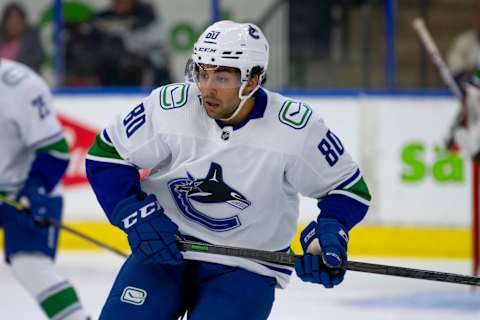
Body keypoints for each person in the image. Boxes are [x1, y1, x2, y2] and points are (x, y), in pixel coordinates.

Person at [86, 20, 371, 319]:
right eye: (202, 73)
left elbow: (348, 189)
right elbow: (108, 155)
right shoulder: (170, 107)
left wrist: (328, 233)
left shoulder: (296, 128)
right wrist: (134, 216)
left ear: (252, 80)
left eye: (221, 78)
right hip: (165, 249)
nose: (206, 88)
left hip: (246, 266)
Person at [0, 59, 89, 320]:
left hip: (25, 191)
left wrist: (34, 190)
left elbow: (56, 150)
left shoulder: (18, 85)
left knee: (31, 266)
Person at [91, 0, 171, 86]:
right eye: (116, 2)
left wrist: (124, 38)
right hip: (112, 76)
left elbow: (158, 45)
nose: (118, 3)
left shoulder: (147, 16)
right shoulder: (104, 17)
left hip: (146, 74)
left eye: (122, 2)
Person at [0, 3, 46, 73]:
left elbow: (40, 58)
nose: (14, 24)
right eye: (11, 20)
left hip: (25, 79)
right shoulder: (2, 38)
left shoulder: (31, 37)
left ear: (24, 21)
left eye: (17, 21)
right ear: (5, 22)